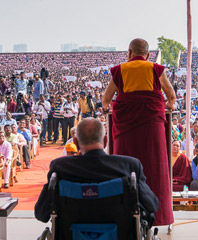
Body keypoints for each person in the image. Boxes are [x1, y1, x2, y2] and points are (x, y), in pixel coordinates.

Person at [102, 38, 176, 227]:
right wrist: (170, 105)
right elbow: (171, 95)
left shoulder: (120, 70)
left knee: (124, 168)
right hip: (152, 127)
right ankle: (158, 216)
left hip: (125, 129)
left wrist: (105, 107)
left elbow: (106, 99)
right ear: (148, 55)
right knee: (155, 168)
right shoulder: (155, 68)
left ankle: (125, 216)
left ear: (129, 53)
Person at [34, 118, 159, 224]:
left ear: (76, 143)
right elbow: (152, 205)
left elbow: (41, 214)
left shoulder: (60, 167)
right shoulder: (129, 165)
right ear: (105, 141)